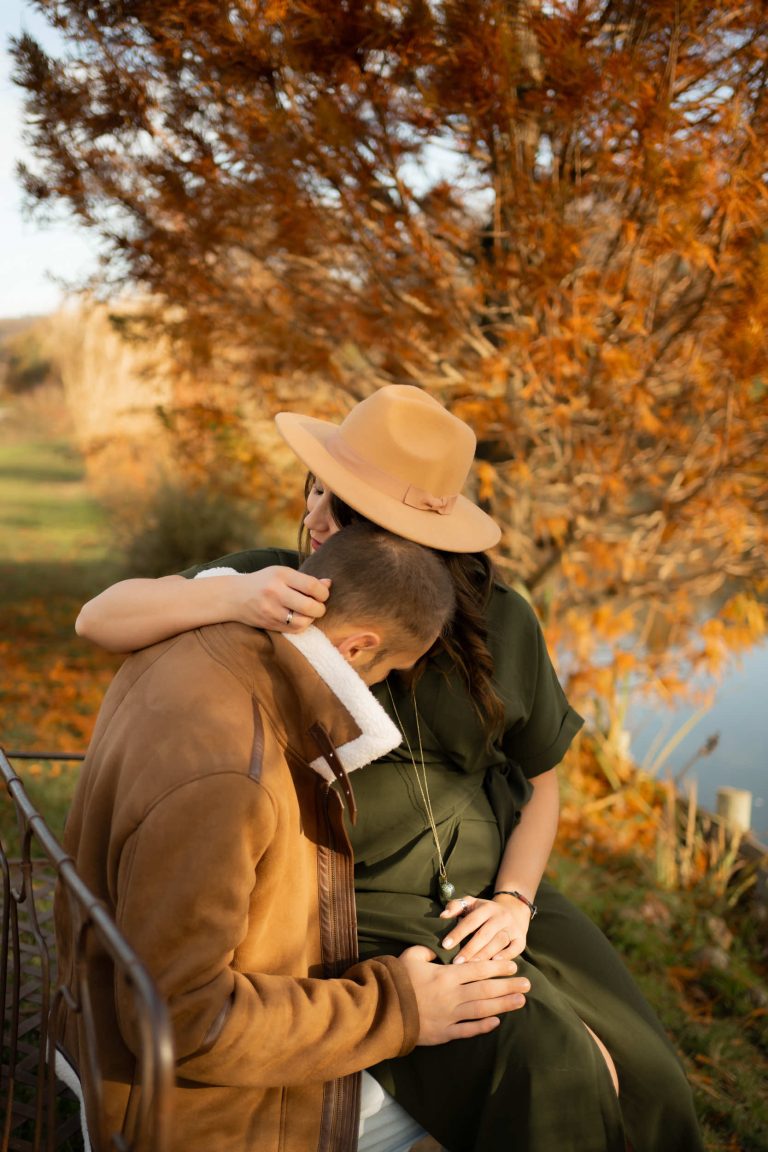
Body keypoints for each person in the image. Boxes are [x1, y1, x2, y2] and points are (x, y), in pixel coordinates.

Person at [76, 386, 704, 1152]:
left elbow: (542, 781)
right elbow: (100, 617)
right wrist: (238, 595)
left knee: (649, 1080)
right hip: (361, 898)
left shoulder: (505, 620)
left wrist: (515, 900)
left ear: (401, 535)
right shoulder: (284, 581)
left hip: (493, 886)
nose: (312, 519)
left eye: (335, 508)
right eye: (314, 489)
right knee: (560, 1068)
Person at [56, 521, 531, 1152]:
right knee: (489, 1090)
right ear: (360, 647)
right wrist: (402, 1007)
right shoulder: (232, 773)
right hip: (172, 1107)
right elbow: (182, 1023)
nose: (381, 688)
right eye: (389, 669)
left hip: (88, 1019)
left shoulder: (196, 642)